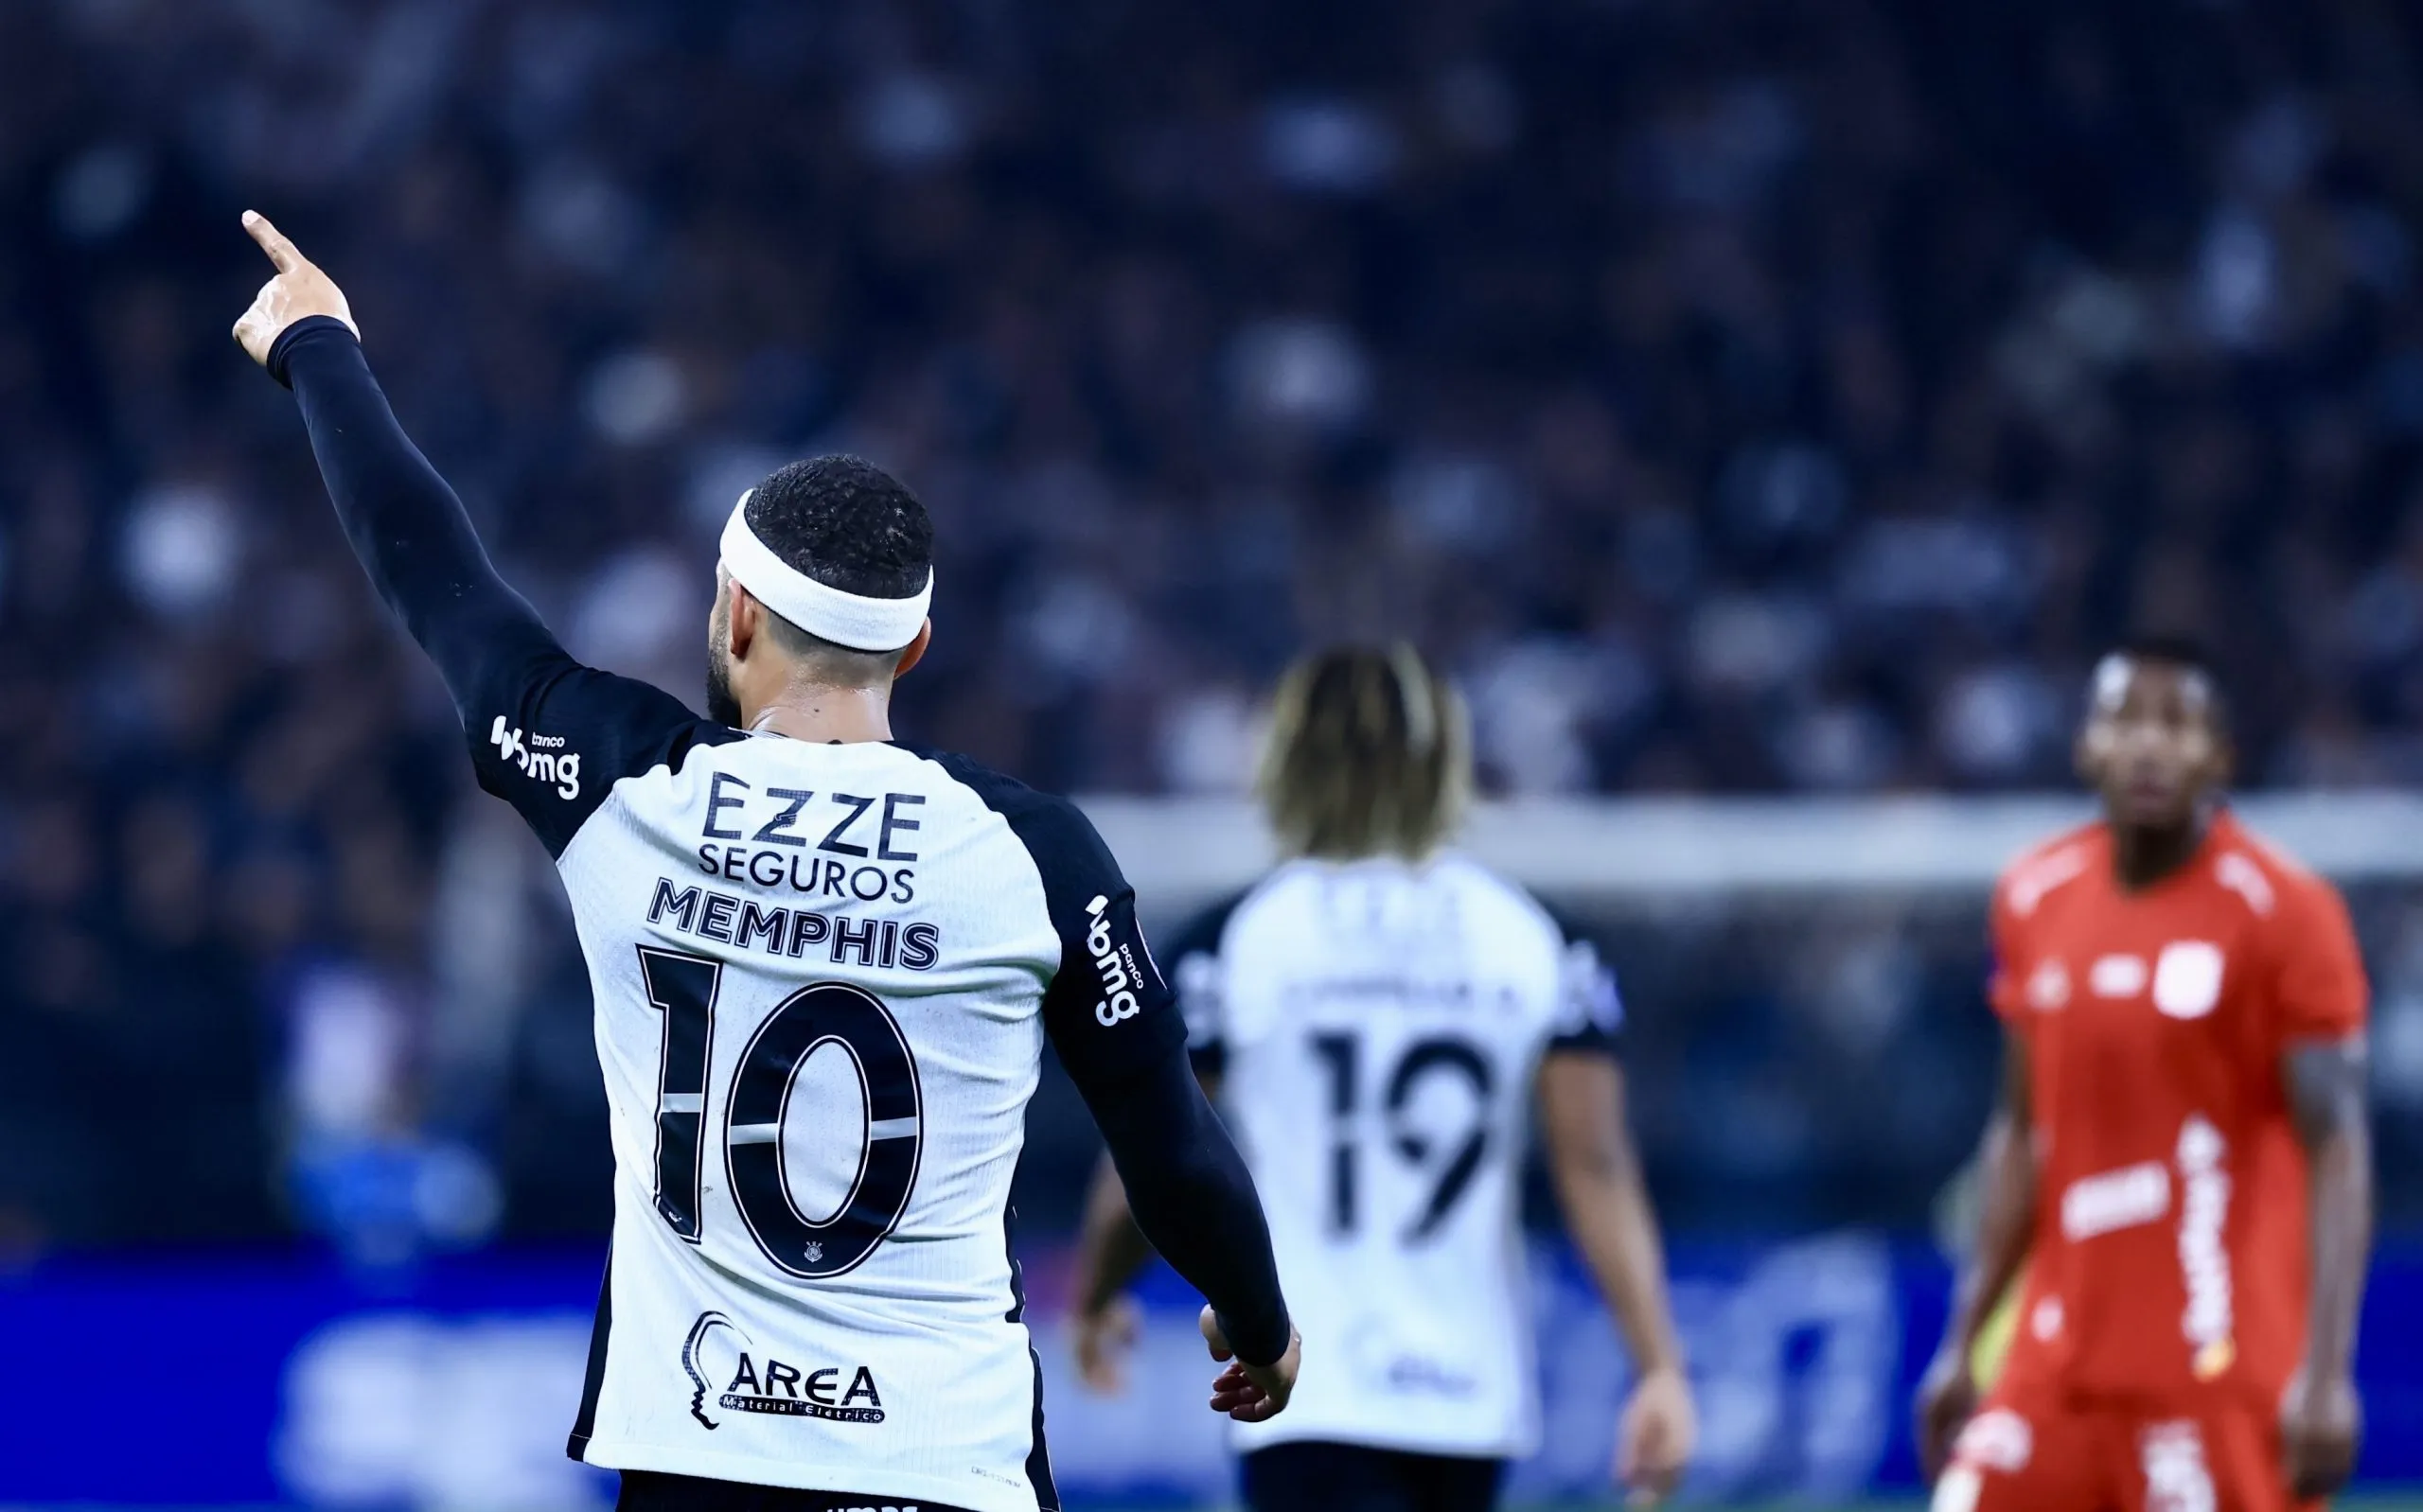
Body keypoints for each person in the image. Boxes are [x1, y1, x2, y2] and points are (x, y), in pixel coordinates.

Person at [230, 212, 1299, 1512]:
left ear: (734, 610)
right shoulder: (1032, 853)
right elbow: (1173, 1148)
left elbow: (431, 573)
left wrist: (320, 344)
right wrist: (1257, 1320)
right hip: (944, 1470)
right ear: (910, 652)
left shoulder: (619, 784)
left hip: (700, 1461)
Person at [1066, 644, 1696, 1512]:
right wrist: (1658, 1367)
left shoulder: (1236, 940)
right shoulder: (1537, 940)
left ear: (1289, 762)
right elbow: (1596, 1168)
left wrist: (1097, 1295)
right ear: (1445, 762)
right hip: (1469, 1393)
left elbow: (1161, 1158)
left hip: (1302, 1381)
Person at [1916, 639, 2373, 1512]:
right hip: (2056, 1367)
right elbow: (2022, 1129)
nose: (2151, 746)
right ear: (2088, 746)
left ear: (2220, 758)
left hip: (2214, 1371)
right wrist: (1962, 1341)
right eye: (2127, 719)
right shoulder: (2034, 895)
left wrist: (2327, 1370)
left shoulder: (2284, 911)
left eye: (2179, 723)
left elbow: (2338, 1144)